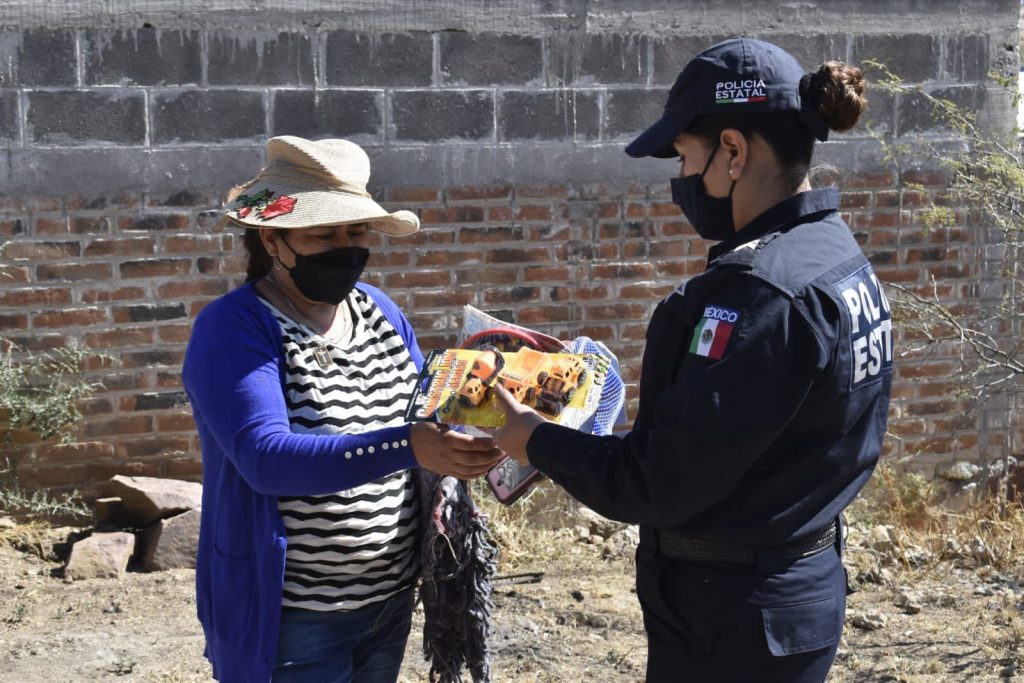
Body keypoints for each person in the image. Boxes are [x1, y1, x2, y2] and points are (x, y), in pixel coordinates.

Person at [493, 37, 890, 683]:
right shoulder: (833, 253)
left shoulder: (764, 295)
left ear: (732, 151)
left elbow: (655, 481)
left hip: (731, 618)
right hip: (784, 588)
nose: (681, 181)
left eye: (684, 157)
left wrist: (534, 438)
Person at [182, 135, 504, 683]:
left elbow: (423, 412)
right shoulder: (235, 328)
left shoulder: (379, 310)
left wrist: (491, 419)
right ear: (274, 240)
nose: (346, 247)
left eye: (356, 231)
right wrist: (407, 446)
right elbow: (265, 458)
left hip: (389, 600)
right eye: (323, 233)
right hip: (294, 616)